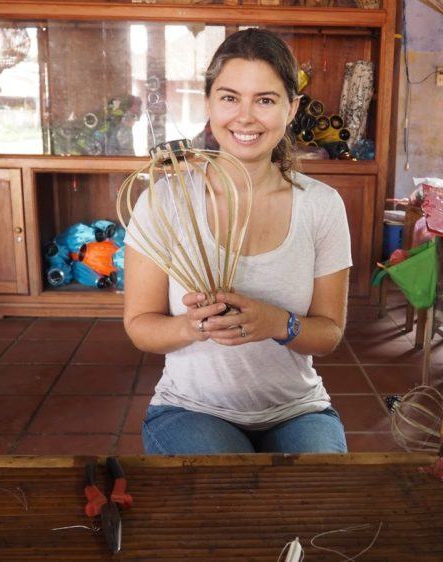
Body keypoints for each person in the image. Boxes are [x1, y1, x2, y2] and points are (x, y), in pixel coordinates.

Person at [123, 28, 352, 455]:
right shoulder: (164, 200)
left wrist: (277, 323)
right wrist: (190, 326)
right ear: (209, 103)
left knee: (317, 506)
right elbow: (140, 326)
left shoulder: (322, 206)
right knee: (231, 504)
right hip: (191, 409)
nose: (245, 117)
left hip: (298, 408)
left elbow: (329, 333)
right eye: (229, 98)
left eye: (265, 100)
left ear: (291, 108)